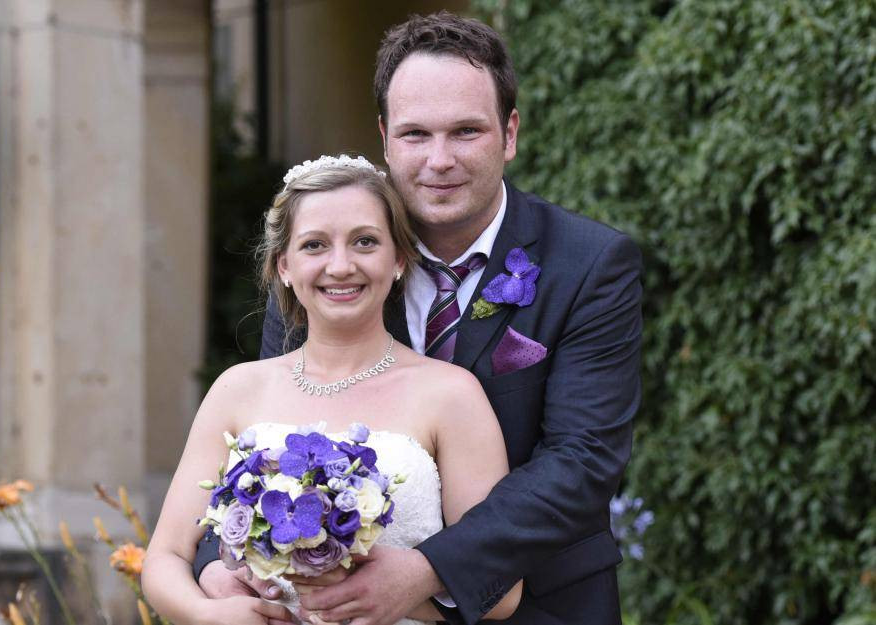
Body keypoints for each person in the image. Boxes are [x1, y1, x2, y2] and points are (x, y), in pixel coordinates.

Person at [195, 11, 643, 625]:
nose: (439, 161)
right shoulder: (328, 271)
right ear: (383, 137)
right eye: (415, 134)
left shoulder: (591, 264)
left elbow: (583, 456)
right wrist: (215, 563)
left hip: (543, 605)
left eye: (465, 131)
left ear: (509, 133)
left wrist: (432, 570)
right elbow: (265, 434)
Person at [142, 157, 523, 625]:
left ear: (399, 259)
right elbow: (164, 559)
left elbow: (502, 590)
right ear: (284, 266)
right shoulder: (237, 390)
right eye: (315, 245)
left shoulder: (451, 395)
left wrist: (398, 598)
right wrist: (206, 615)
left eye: (365, 242)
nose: (340, 266)